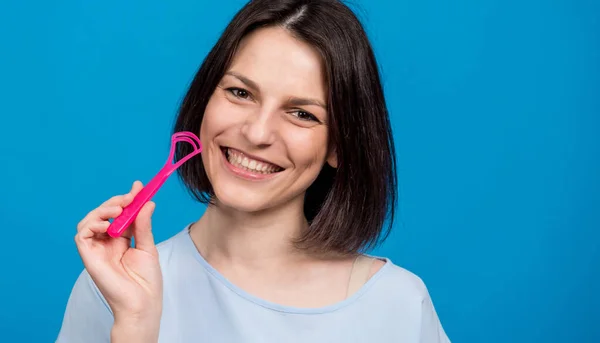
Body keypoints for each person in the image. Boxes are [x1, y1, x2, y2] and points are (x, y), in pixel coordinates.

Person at [57, 0, 451, 342]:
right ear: (205, 100)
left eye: (301, 114)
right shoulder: (112, 288)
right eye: (240, 93)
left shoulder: (397, 306)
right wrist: (135, 329)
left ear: (338, 147)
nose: (257, 133)